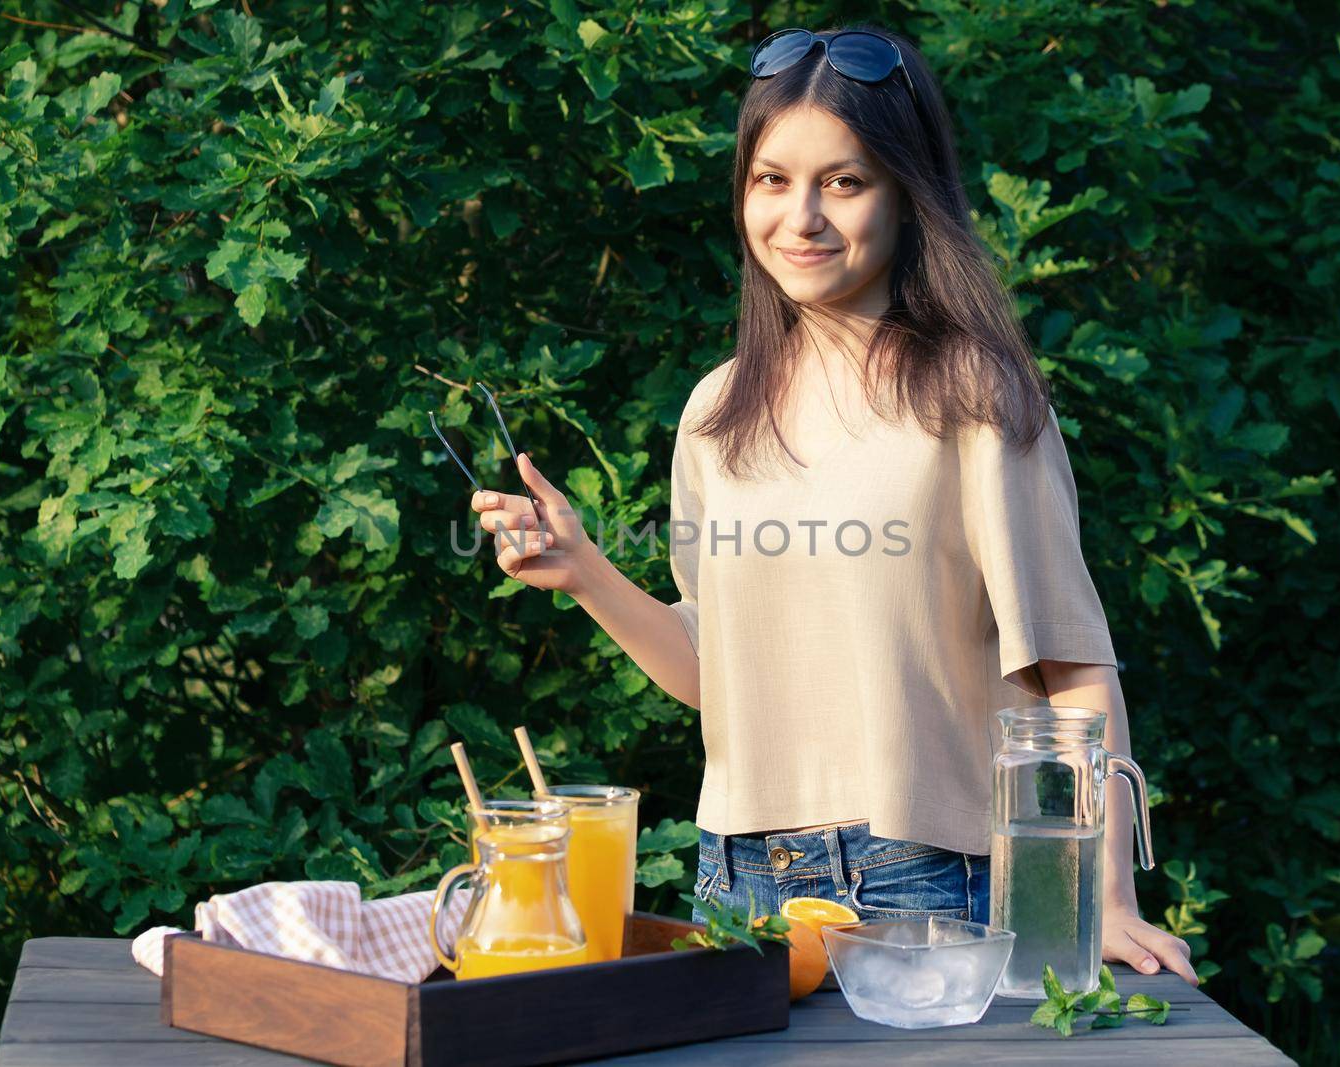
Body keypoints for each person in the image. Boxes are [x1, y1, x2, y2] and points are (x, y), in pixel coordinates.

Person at [465, 22, 1195, 984]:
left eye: (843, 182)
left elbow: (1074, 669)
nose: (799, 216)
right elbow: (717, 678)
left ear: (906, 196)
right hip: (734, 880)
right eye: (772, 180)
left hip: (929, 881)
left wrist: (1101, 899)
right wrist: (587, 574)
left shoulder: (972, 392)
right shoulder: (716, 409)